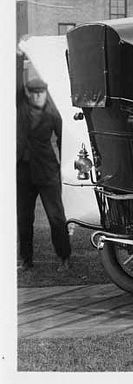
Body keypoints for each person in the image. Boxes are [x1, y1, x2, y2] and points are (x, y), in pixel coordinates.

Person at [17, 77, 72, 272]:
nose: (38, 96)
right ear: (28, 94)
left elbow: (64, 140)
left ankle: (64, 258)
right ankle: (26, 260)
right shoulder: (20, 109)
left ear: (46, 93)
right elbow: (15, 81)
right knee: (24, 218)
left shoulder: (53, 113)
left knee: (56, 217)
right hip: (23, 171)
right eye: (34, 92)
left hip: (48, 172)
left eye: (41, 92)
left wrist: (65, 167)